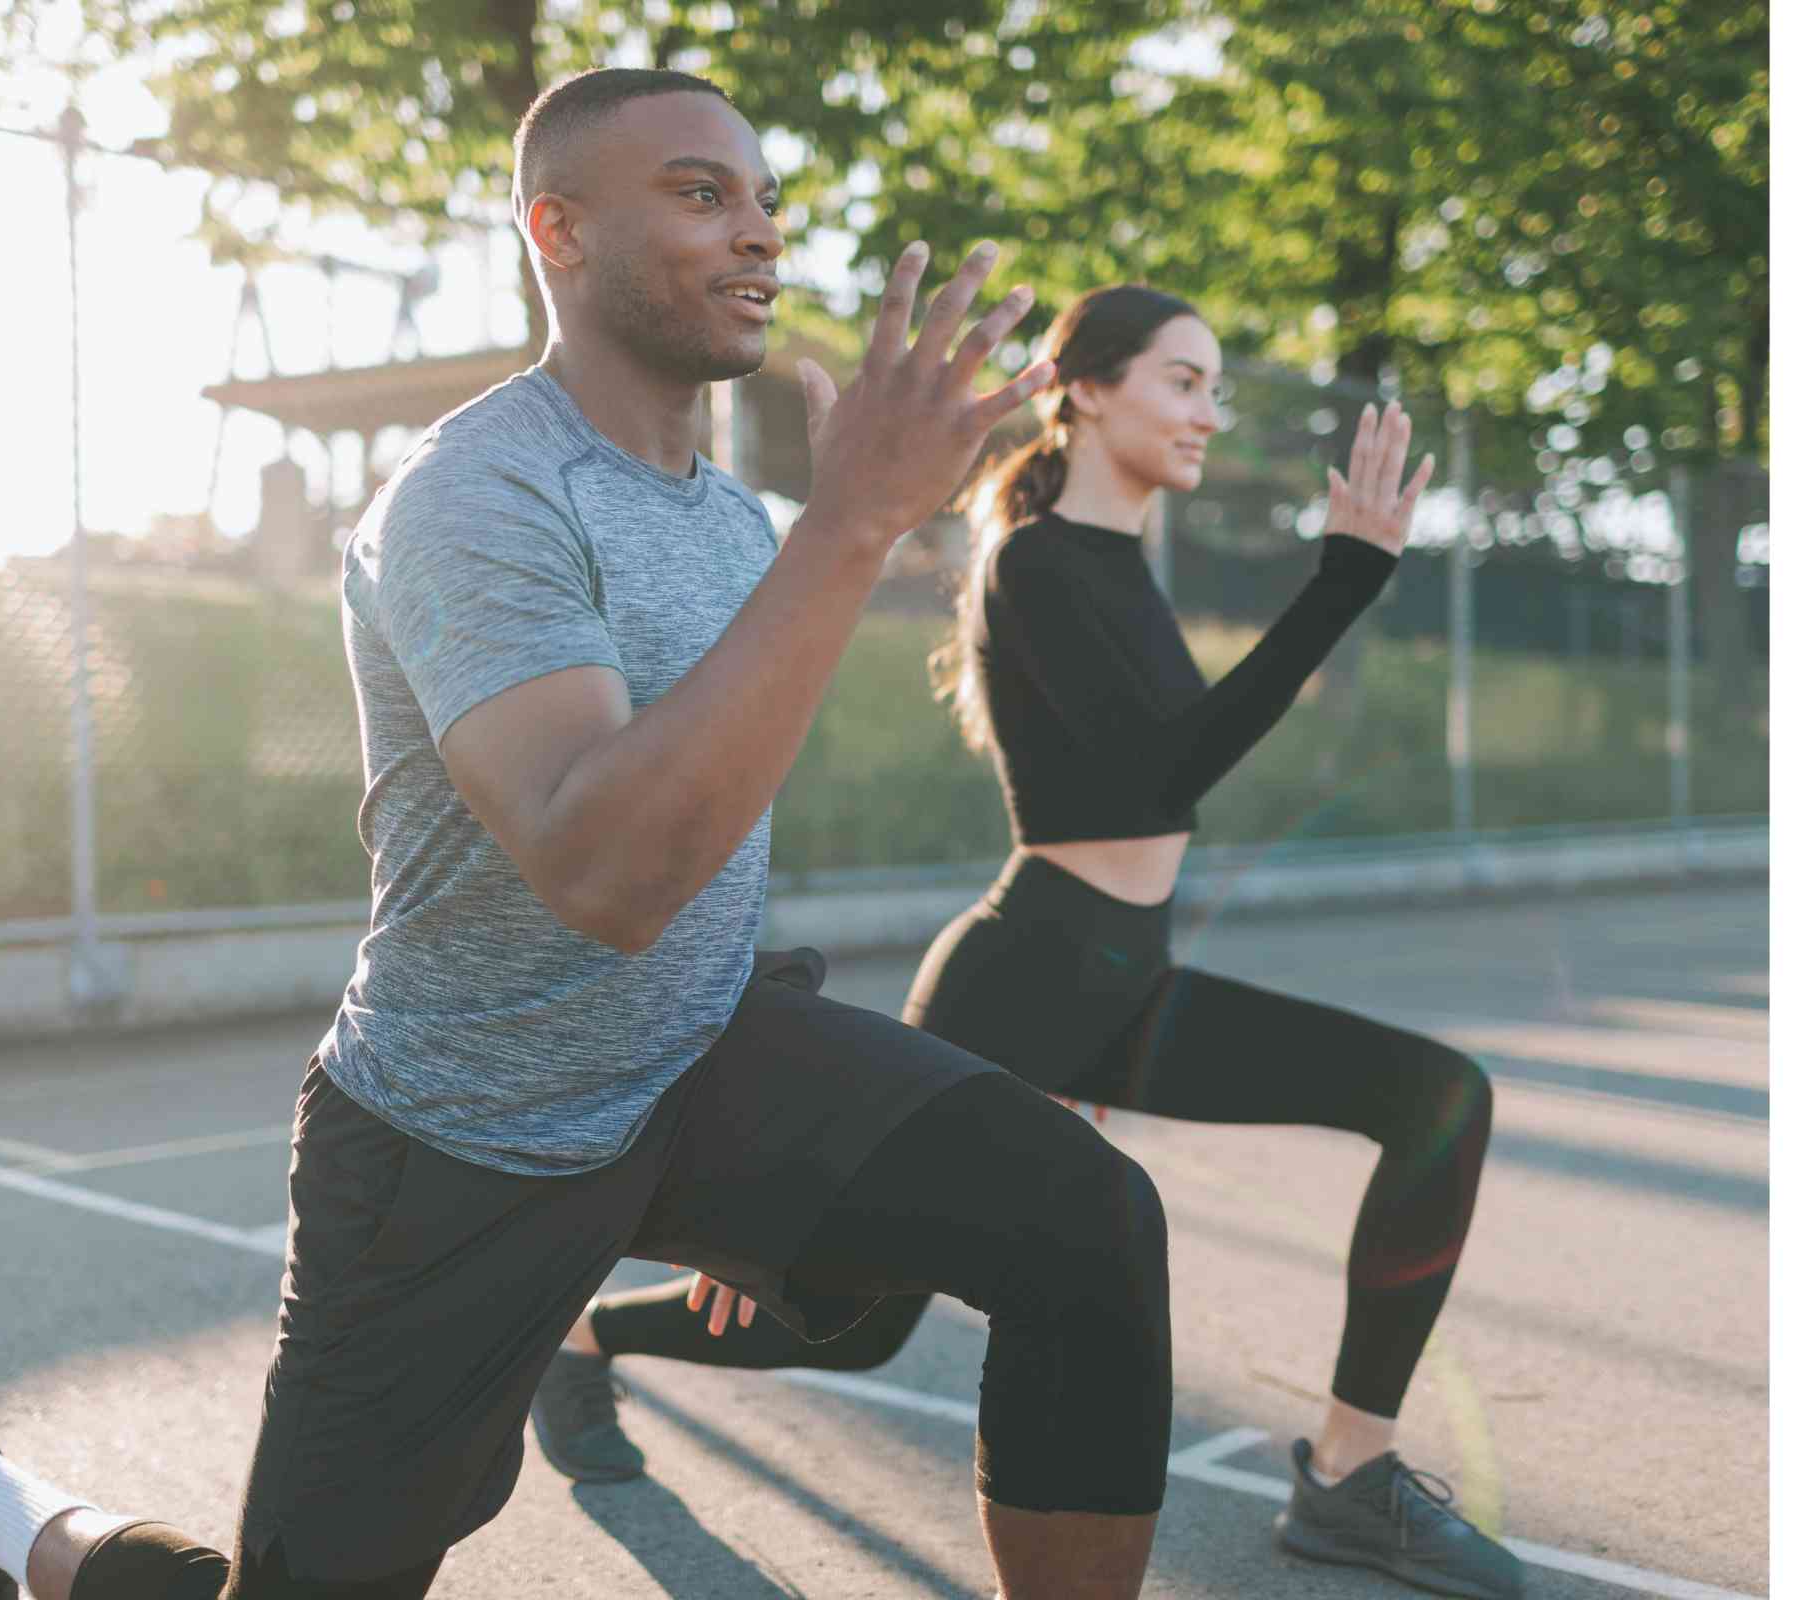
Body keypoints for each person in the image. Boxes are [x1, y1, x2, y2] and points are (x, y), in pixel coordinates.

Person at [0, 69, 1179, 1600]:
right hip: (461, 1137)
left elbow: (710, 830)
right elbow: (604, 873)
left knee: (1087, 1225)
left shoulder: (722, 520)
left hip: (695, 1068)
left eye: (766, 200)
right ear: (556, 228)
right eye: (703, 194)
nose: (758, 233)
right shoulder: (473, 495)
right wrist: (853, 527)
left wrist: (761, 1168)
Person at [542, 286, 1525, 1600]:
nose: (1208, 412)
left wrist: (1340, 584)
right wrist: (1342, 582)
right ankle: (587, 1342)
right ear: (1091, 388)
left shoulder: (1121, 571)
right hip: (1024, 982)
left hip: (1133, 982)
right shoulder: (1037, 564)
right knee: (848, 1325)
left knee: (1438, 1099)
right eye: (1183, 380)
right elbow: (1162, 776)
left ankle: (1349, 1476)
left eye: (1214, 385)